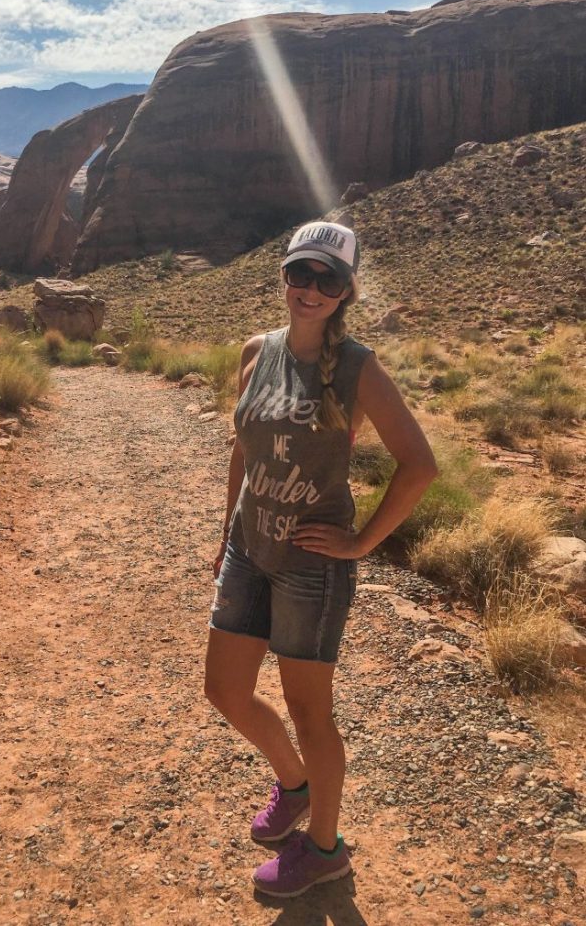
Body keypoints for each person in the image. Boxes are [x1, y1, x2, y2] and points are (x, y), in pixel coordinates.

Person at [204, 220, 438, 899]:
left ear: (345, 292)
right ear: (283, 276)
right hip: (250, 550)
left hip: (313, 565)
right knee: (223, 690)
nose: (309, 289)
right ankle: (294, 783)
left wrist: (361, 542)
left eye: (326, 280)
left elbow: (418, 466)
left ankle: (324, 849)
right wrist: (226, 530)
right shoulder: (255, 350)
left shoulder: (358, 369)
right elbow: (242, 448)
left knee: (312, 714)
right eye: (299, 274)